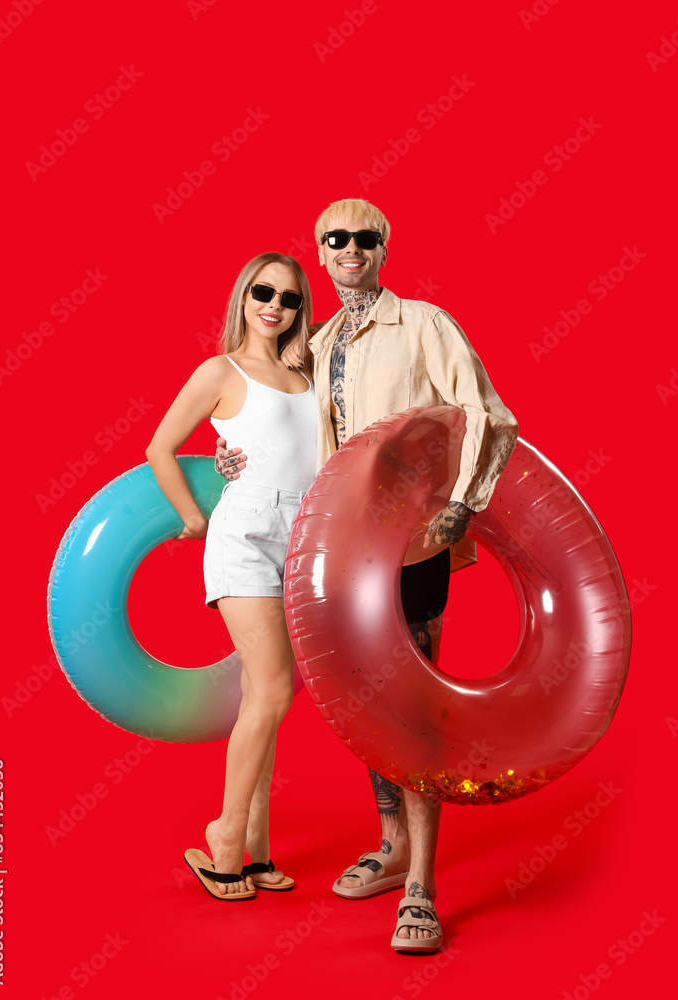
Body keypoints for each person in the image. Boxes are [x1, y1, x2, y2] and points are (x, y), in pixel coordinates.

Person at [216, 199, 518, 949]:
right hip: (347, 553)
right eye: (335, 239)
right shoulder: (313, 345)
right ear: (321, 253)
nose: (350, 249)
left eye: (365, 238)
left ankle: (422, 889)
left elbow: (485, 412)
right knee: (369, 702)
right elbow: (276, 426)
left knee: (414, 705)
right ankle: (394, 848)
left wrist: (460, 503)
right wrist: (231, 457)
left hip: (413, 544)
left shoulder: (424, 324)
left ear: (384, 247)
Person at [146, 252, 315, 900]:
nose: (275, 304)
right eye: (263, 291)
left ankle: (255, 849)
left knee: (265, 702)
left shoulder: (305, 376)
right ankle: (224, 836)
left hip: (302, 542)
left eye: (290, 298)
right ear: (244, 296)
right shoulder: (220, 370)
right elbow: (160, 447)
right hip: (244, 536)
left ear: (301, 309)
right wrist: (191, 515)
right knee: (273, 693)